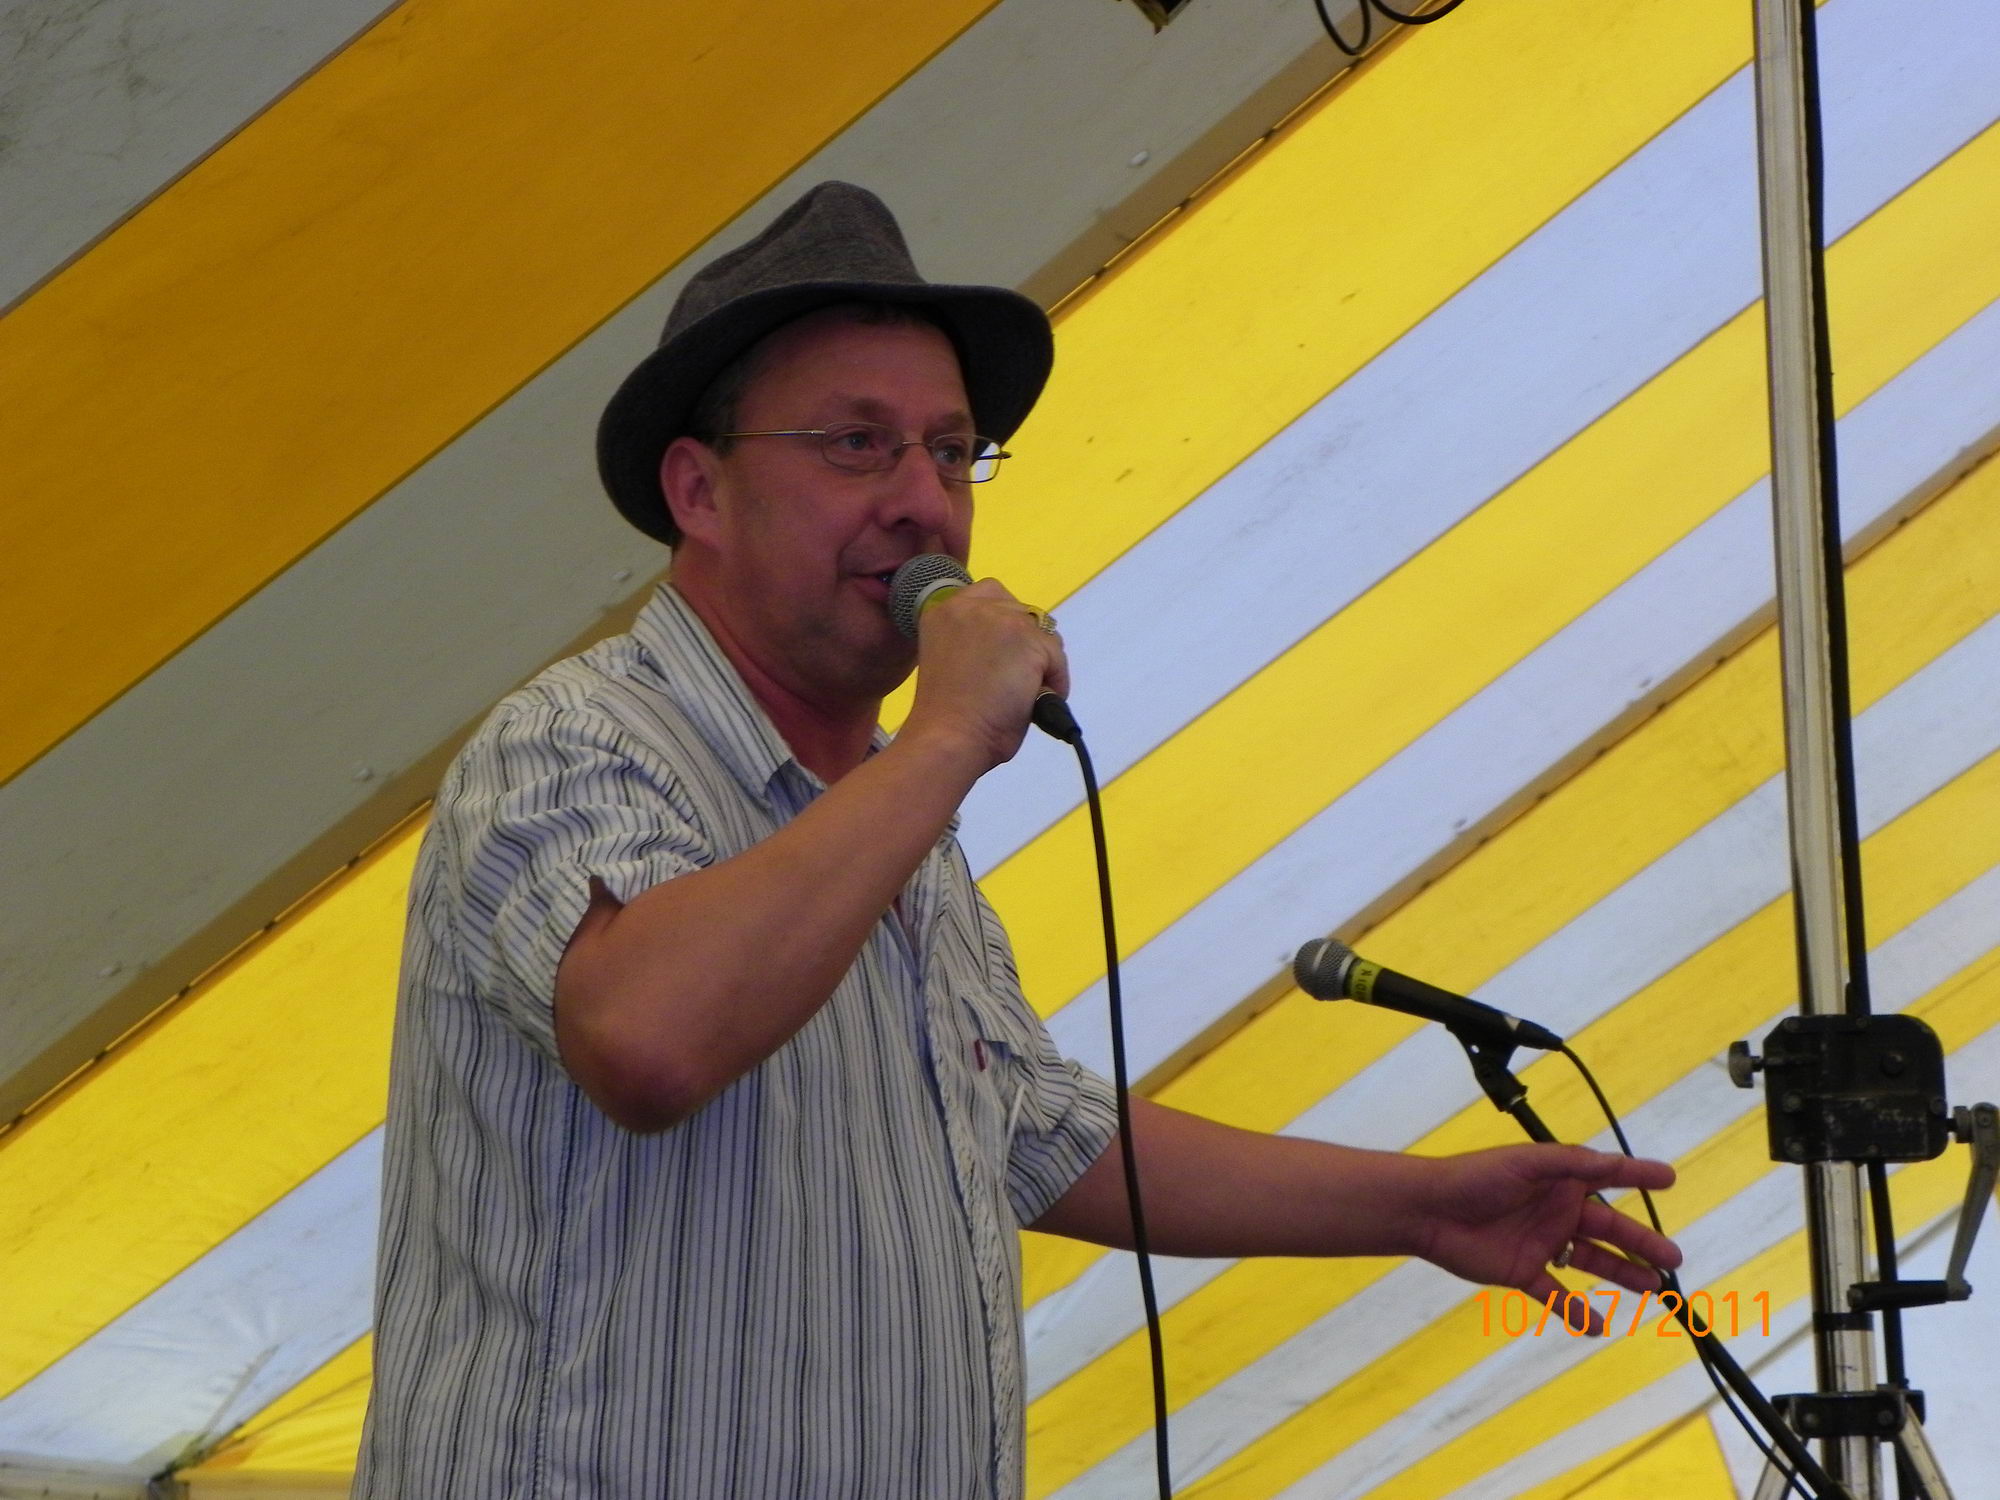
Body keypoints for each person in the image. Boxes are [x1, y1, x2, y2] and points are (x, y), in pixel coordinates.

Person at [353, 181, 1681, 1499]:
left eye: (951, 452)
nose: (924, 503)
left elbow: (1036, 1131)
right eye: (857, 444)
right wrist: (944, 739)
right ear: (699, 489)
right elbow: (648, 1038)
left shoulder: (890, 819)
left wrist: (1418, 1207)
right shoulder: (572, 739)